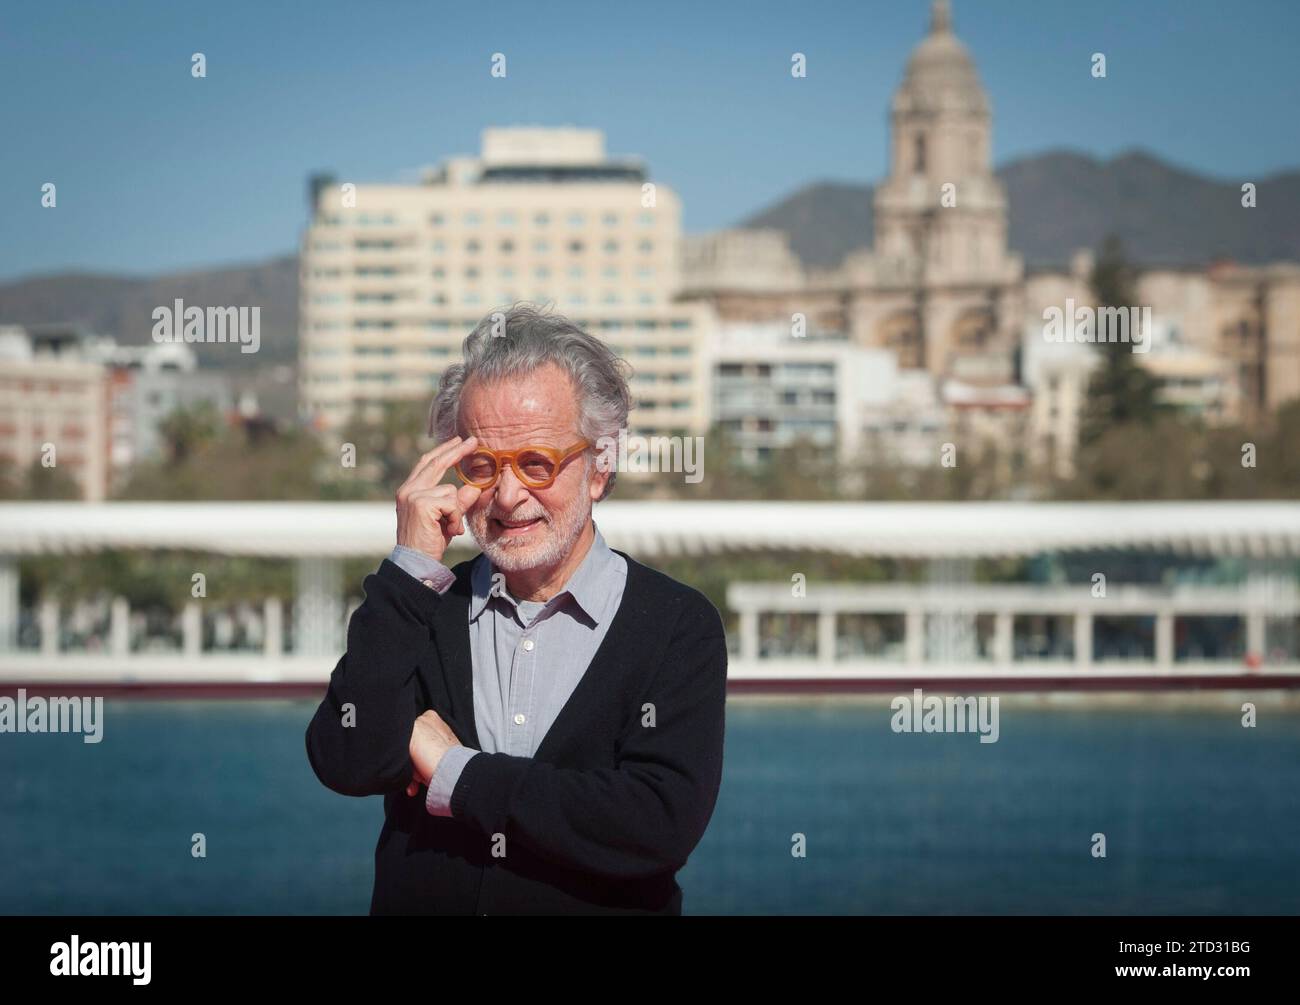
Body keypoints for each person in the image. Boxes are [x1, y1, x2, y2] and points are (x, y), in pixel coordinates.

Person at [305, 304, 728, 914]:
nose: (507, 496)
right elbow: (347, 758)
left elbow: (654, 827)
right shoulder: (423, 607)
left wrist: (453, 770)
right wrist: (407, 567)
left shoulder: (676, 626)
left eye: (537, 463)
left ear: (599, 469)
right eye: (483, 466)